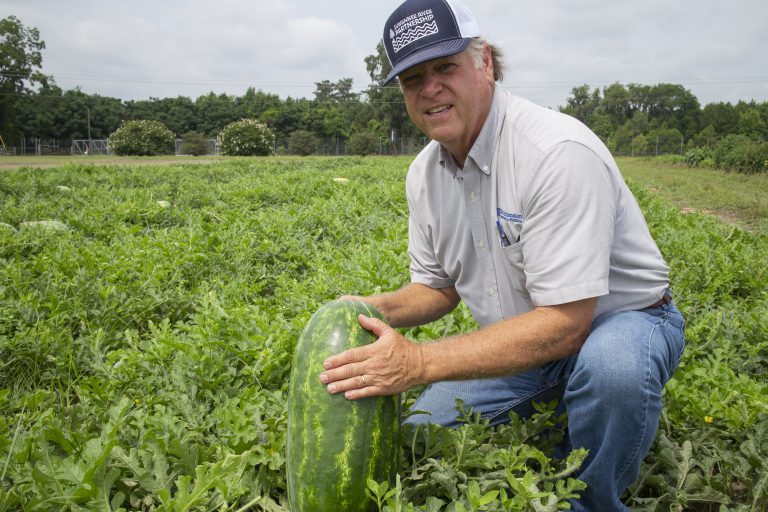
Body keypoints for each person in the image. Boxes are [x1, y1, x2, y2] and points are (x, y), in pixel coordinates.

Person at [319, 0, 686, 509]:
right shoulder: (424, 174)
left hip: (618, 323)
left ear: (484, 63)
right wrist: (360, 310)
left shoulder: (555, 153)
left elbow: (567, 323)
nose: (430, 89)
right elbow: (437, 288)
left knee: (613, 371)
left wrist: (420, 361)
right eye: (412, 78)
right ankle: (566, 402)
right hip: (526, 345)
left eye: (445, 67)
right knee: (421, 433)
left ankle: (593, 497)